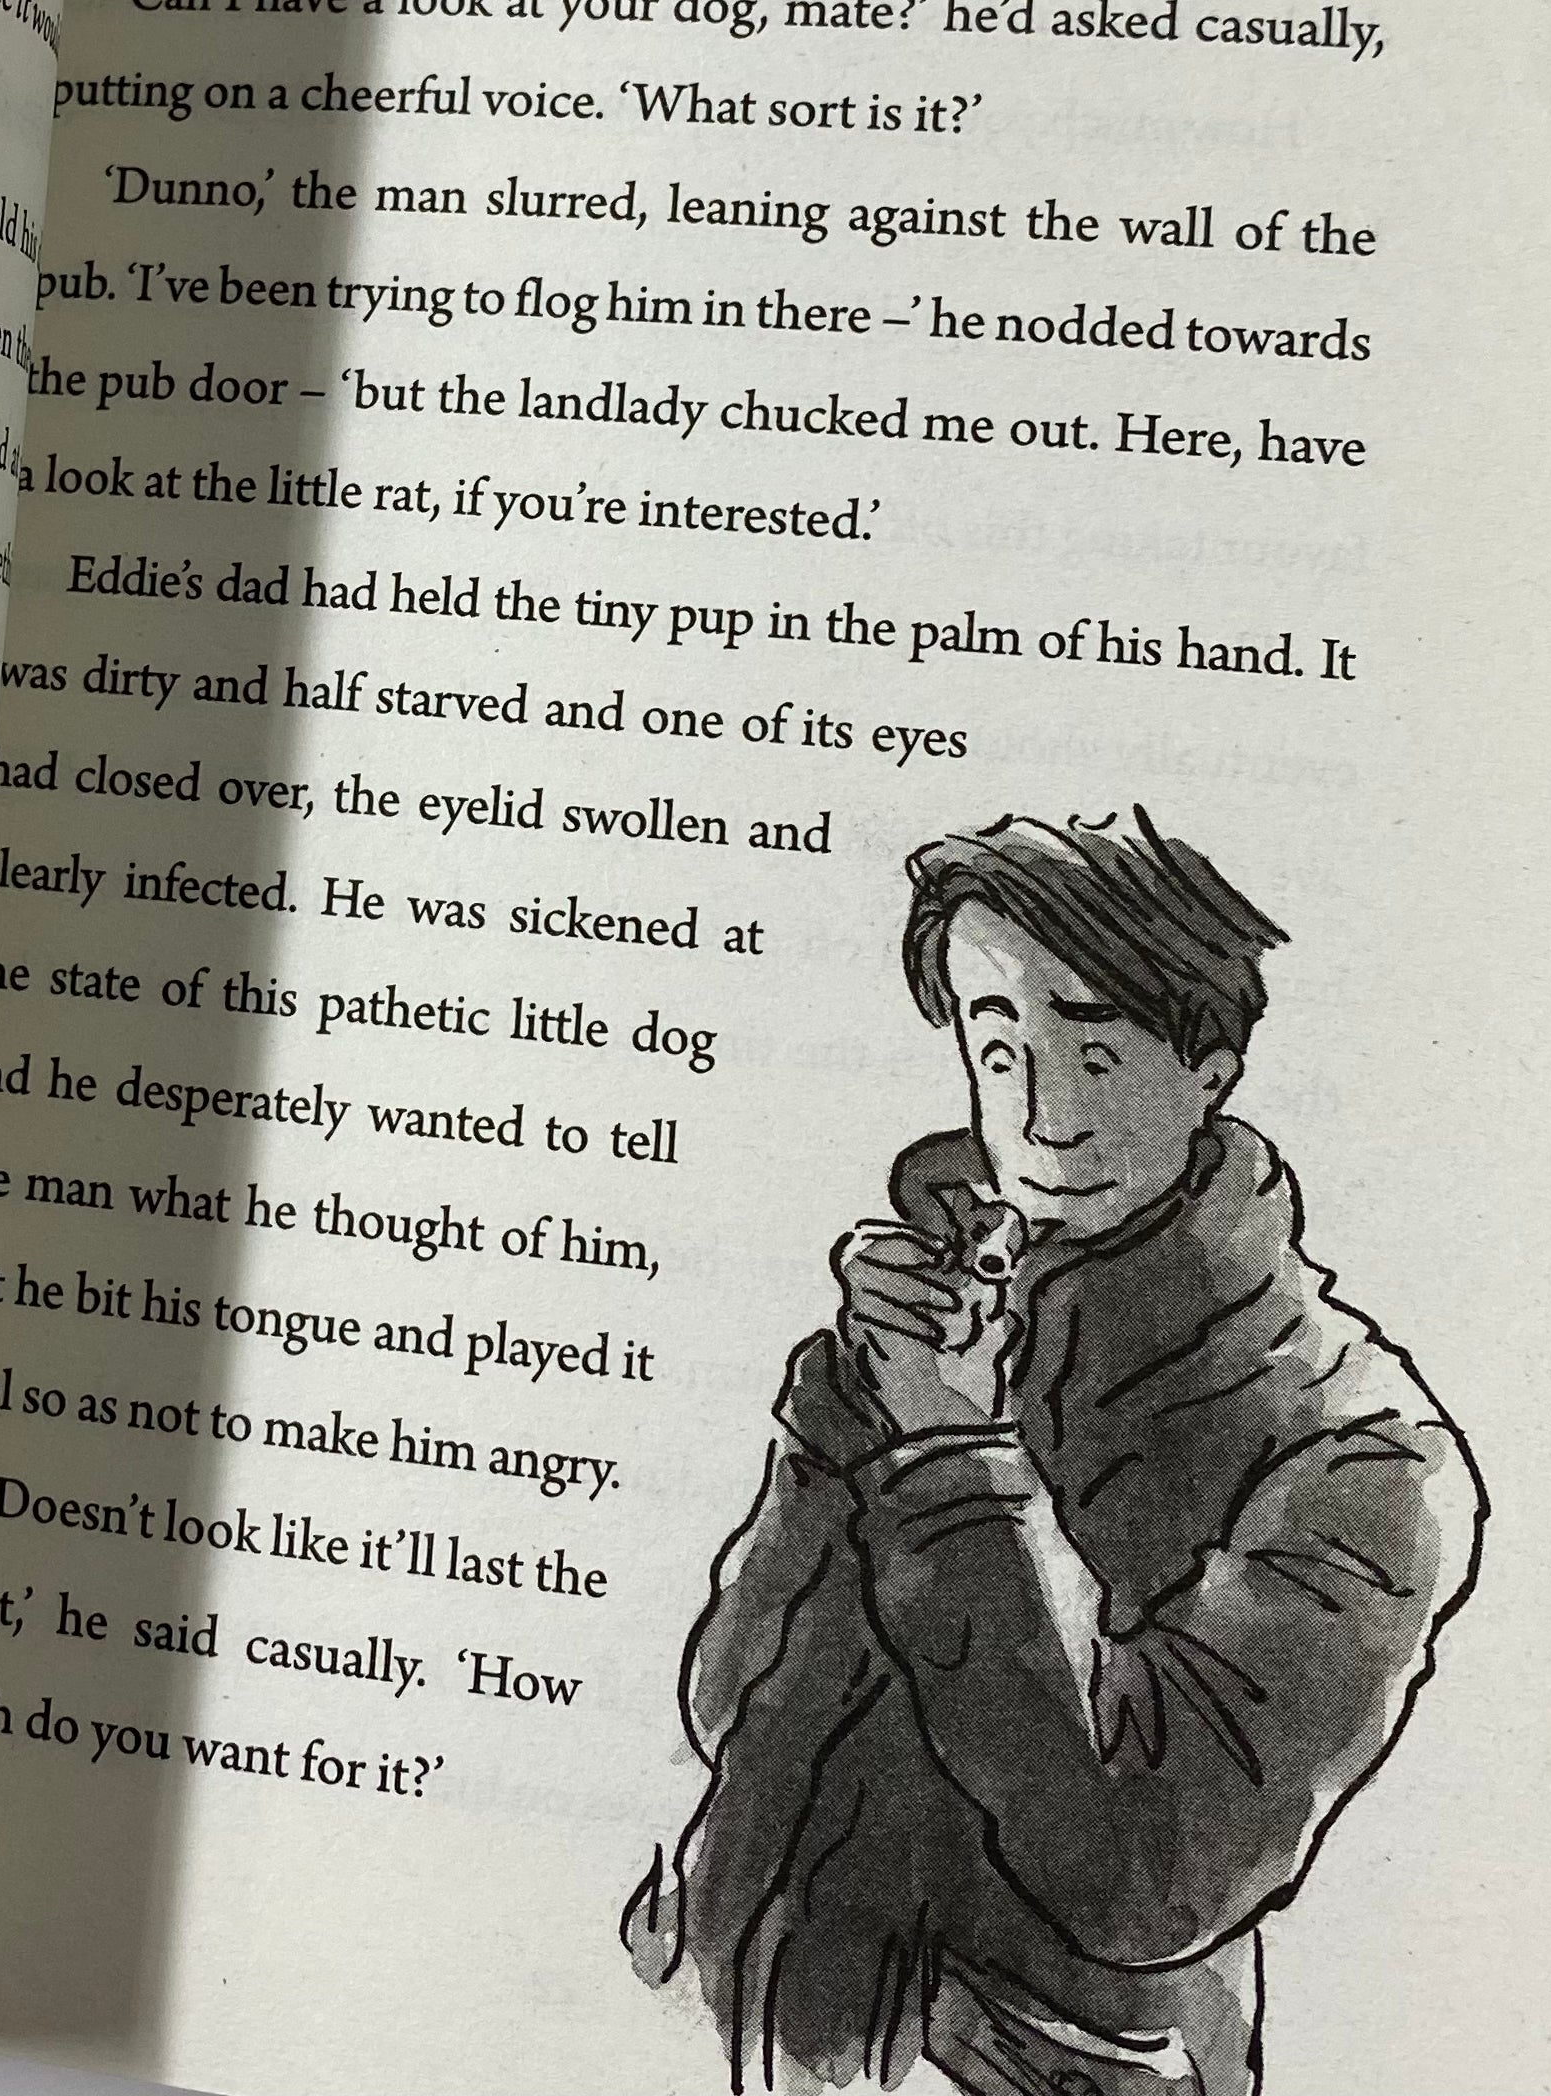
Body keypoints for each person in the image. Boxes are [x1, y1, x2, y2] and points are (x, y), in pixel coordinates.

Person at [625, 809, 1483, 2096]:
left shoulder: (1362, 1457)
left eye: (1097, 1053)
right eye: (999, 1048)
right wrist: (843, 1420)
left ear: (1210, 1069)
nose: (1043, 1117)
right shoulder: (946, 1332)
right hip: (746, 2010)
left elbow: (1143, 1873)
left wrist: (954, 1463)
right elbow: (726, 1700)